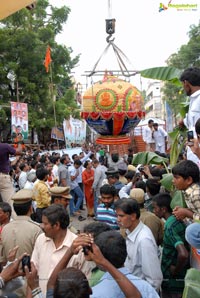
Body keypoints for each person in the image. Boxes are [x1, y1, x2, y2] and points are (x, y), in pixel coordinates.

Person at [30, 204, 92, 296]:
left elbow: (86, 283)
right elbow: (32, 276)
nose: (41, 226)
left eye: (45, 223)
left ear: (56, 225)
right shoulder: (41, 239)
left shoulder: (79, 247)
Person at [114, 198, 163, 291]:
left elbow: (154, 281)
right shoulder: (130, 232)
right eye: (117, 216)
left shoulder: (144, 240)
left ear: (133, 216)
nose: (118, 219)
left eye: (121, 216)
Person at [152, 193, 190, 298]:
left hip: (172, 282)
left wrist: (175, 271)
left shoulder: (169, 226)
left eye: (155, 208)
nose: (153, 211)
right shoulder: (176, 220)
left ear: (163, 209)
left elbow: (183, 254)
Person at [0, 140, 22, 211]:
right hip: (3, 177)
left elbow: (11, 163)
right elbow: (19, 151)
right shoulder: (4, 146)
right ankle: (14, 221)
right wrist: (19, 141)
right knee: (10, 203)